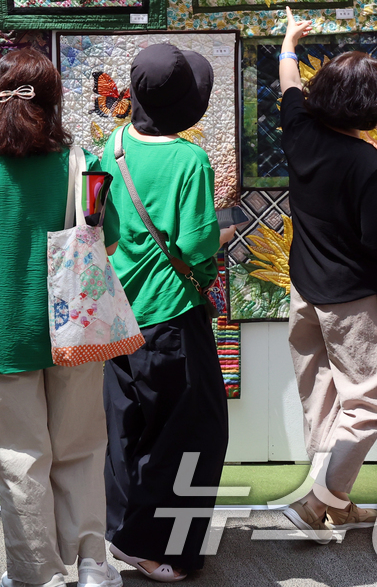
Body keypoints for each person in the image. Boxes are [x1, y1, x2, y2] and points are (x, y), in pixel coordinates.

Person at [0, 49, 123, 587]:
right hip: (77, 329)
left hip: (5, 331)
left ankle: (38, 573)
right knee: (82, 446)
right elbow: (106, 240)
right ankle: (92, 563)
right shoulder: (84, 162)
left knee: (21, 457)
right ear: (54, 103)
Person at [99, 44, 235, 582]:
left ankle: (123, 531)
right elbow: (198, 244)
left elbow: (101, 231)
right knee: (193, 435)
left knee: (127, 427)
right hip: (172, 314)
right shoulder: (190, 160)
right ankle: (156, 548)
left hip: (118, 312)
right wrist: (224, 232)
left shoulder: (108, 149)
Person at [276, 7, 377, 539]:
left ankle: (336, 503)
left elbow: (288, 84)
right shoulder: (368, 162)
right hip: (353, 299)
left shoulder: (300, 129)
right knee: (369, 403)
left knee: (322, 397)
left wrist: (290, 40)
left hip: (306, 290)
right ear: (372, 109)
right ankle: (319, 500)